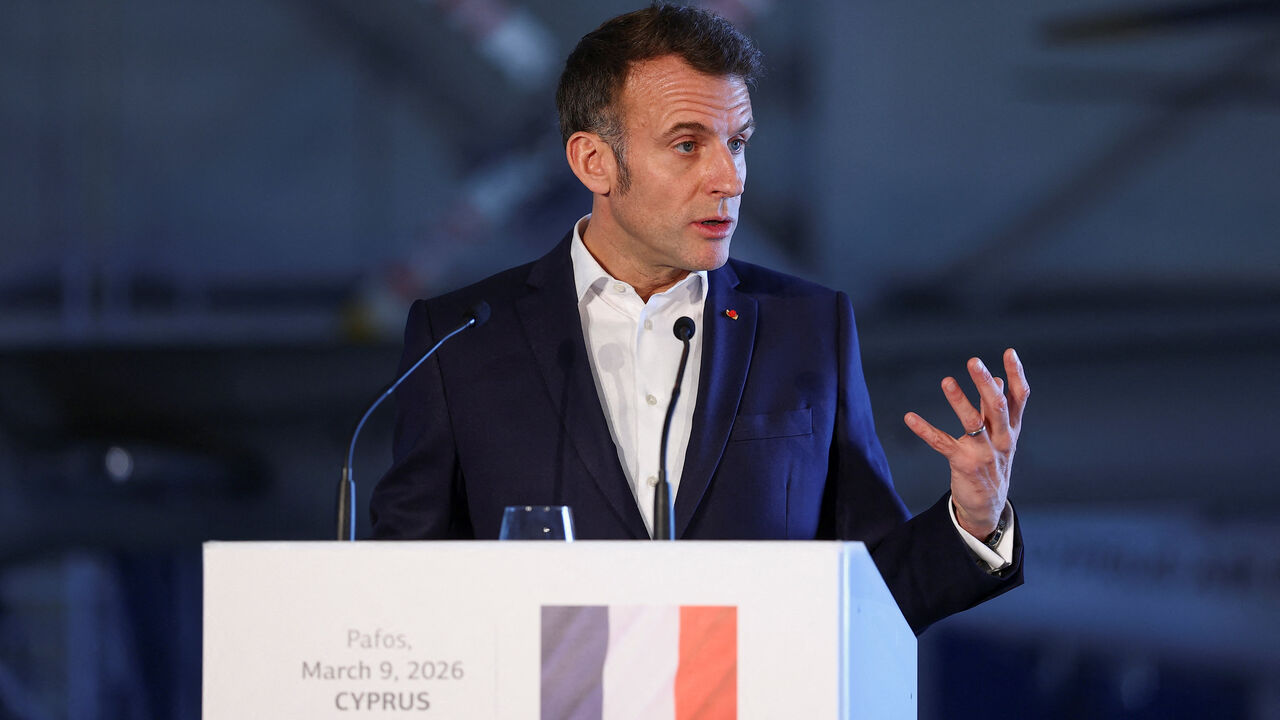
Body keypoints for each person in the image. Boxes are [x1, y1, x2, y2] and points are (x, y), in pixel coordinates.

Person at [370, 3, 1029, 635]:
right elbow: (405, 587)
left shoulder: (805, 329)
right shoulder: (463, 338)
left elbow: (877, 591)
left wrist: (975, 521)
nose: (729, 177)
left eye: (737, 143)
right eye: (688, 145)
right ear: (593, 162)